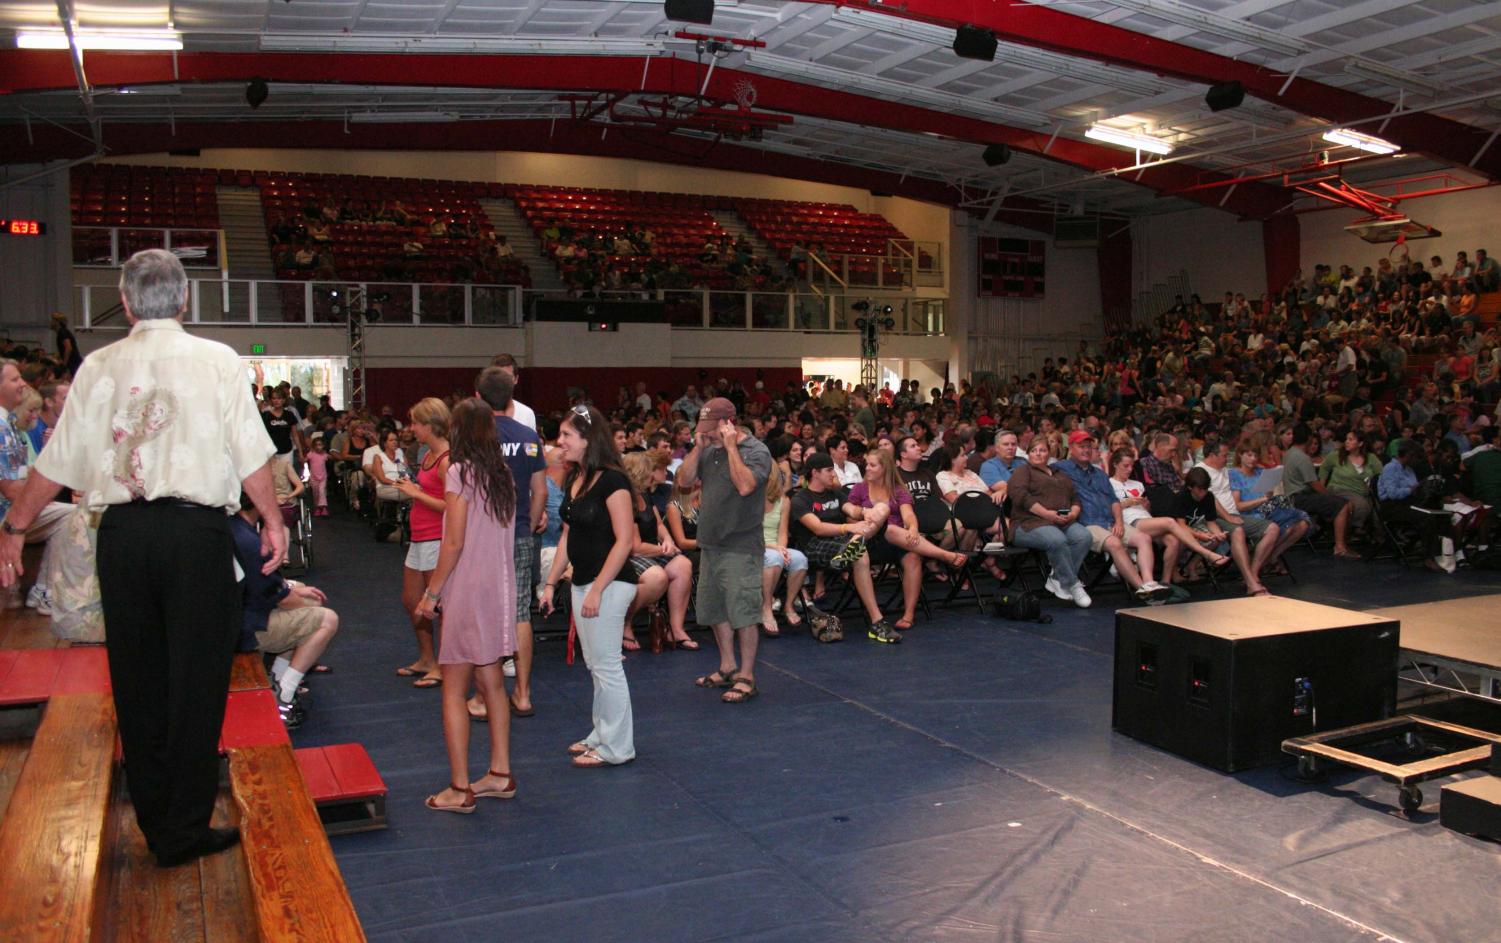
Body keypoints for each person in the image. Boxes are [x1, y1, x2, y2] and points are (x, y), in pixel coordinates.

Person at [0, 249, 286, 868]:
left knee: (137, 678)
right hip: (194, 536)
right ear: (184, 300)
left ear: (126, 303)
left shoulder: (99, 366)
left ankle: (160, 823)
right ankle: (183, 825)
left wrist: (15, 526)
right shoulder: (218, 362)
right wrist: (272, 518)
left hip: (124, 536)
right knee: (198, 678)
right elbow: (249, 453)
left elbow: (54, 463)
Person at [414, 398, 520, 813]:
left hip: (467, 589)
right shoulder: (503, 476)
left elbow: (454, 542)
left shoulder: (459, 472)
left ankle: (460, 789)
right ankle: (499, 772)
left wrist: (432, 593)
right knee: (491, 681)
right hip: (498, 587)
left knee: (454, 690)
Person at [540, 404, 636, 767]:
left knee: (607, 665)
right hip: (584, 582)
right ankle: (602, 734)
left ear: (586, 440)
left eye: (566, 435)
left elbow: (624, 540)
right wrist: (551, 584)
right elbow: (568, 535)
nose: (559, 441)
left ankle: (618, 747)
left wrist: (597, 589)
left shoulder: (614, 481)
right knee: (595, 664)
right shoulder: (576, 478)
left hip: (610, 585)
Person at [675, 399, 773, 703]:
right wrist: (697, 447)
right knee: (714, 609)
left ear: (729, 423)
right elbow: (684, 482)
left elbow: (745, 486)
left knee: (743, 612)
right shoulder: (707, 449)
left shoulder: (756, 451)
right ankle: (727, 665)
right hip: (710, 543)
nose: (708, 435)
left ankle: (747, 675)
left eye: (712, 429)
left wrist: (731, 448)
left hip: (741, 545)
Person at [470, 367, 547, 720]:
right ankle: (524, 694)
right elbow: (540, 490)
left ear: (478, 396)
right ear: (511, 395)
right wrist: (527, 523)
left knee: (485, 611)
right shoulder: (529, 436)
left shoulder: (474, 437)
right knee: (519, 613)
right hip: (518, 532)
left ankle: (486, 698)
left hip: (484, 536)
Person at [230, 499, 340, 728]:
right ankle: (284, 696)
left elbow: (268, 584)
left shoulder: (235, 527)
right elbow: (283, 598)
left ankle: (278, 679)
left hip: (237, 613)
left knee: (307, 603)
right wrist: (303, 605)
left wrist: (296, 591)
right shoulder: (247, 540)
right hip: (245, 627)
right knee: (326, 620)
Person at [846, 448, 967, 631]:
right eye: (867, 464)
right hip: (867, 541)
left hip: (897, 540)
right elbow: (850, 519)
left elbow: (908, 515)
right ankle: (944, 555)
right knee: (889, 528)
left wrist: (913, 528)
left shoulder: (898, 490)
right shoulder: (859, 489)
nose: (867, 468)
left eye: (872, 465)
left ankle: (909, 614)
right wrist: (868, 522)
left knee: (912, 556)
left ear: (885, 469)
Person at [1056, 430, 1170, 600]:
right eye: (1081, 446)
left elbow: (1114, 501)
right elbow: (1038, 469)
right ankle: (1142, 589)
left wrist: (1119, 522)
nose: (1086, 450)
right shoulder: (1061, 468)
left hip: (1109, 520)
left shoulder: (1100, 474)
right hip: (1086, 523)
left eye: (1089, 446)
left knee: (1144, 538)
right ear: (1071, 447)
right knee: (1115, 543)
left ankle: (1149, 582)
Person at [392, 398, 450, 688]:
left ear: (430, 425)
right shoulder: (428, 454)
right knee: (412, 601)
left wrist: (415, 493)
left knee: (434, 606)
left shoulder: (447, 460)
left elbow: (451, 507)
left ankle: (441, 665)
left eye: (415, 422)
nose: (411, 428)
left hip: (436, 538)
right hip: (419, 537)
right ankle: (427, 658)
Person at [1007, 437, 1092, 607]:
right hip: (1028, 524)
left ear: (1049, 453)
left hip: (1062, 521)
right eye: (1034, 450)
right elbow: (1020, 496)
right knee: (1056, 539)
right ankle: (1073, 584)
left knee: (1084, 537)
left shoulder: (1060, 473)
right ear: (1028, 453)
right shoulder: (1023, 471)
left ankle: (1057, 578)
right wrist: (1047, 514)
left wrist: (1074, 513)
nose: (1038, 454)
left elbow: (1075, 497)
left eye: (1042, 450)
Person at [760, 462, 807, 637]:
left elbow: (782, 532)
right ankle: (766, 607)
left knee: (800, 559)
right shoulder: (748, 500)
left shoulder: (783, 500)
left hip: (775, 546)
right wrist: (776, 548)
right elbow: (749, 535)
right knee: (774, 558)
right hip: (754, 546)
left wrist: (782, 548)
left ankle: (788, 603)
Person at [51, 311, 83, 378]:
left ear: (57, 322)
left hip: (72, 363)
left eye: (52, 320)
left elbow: (68, 348)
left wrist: (64, 364)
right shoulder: (63, 332)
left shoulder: (62, 332)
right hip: (74, 362)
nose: (51, 322)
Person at [305, 433, 330, 517]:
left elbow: (331, 457)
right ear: (313, 446)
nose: (318, 447)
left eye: (320, 445)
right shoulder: (311, 454)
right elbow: (304, 460)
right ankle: (317, 508)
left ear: (323, 445)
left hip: (323, 477)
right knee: (316, 493)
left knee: (322, 491)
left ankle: (324, 508)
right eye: (316, 445)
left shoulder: (325, 455)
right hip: (313, 478)